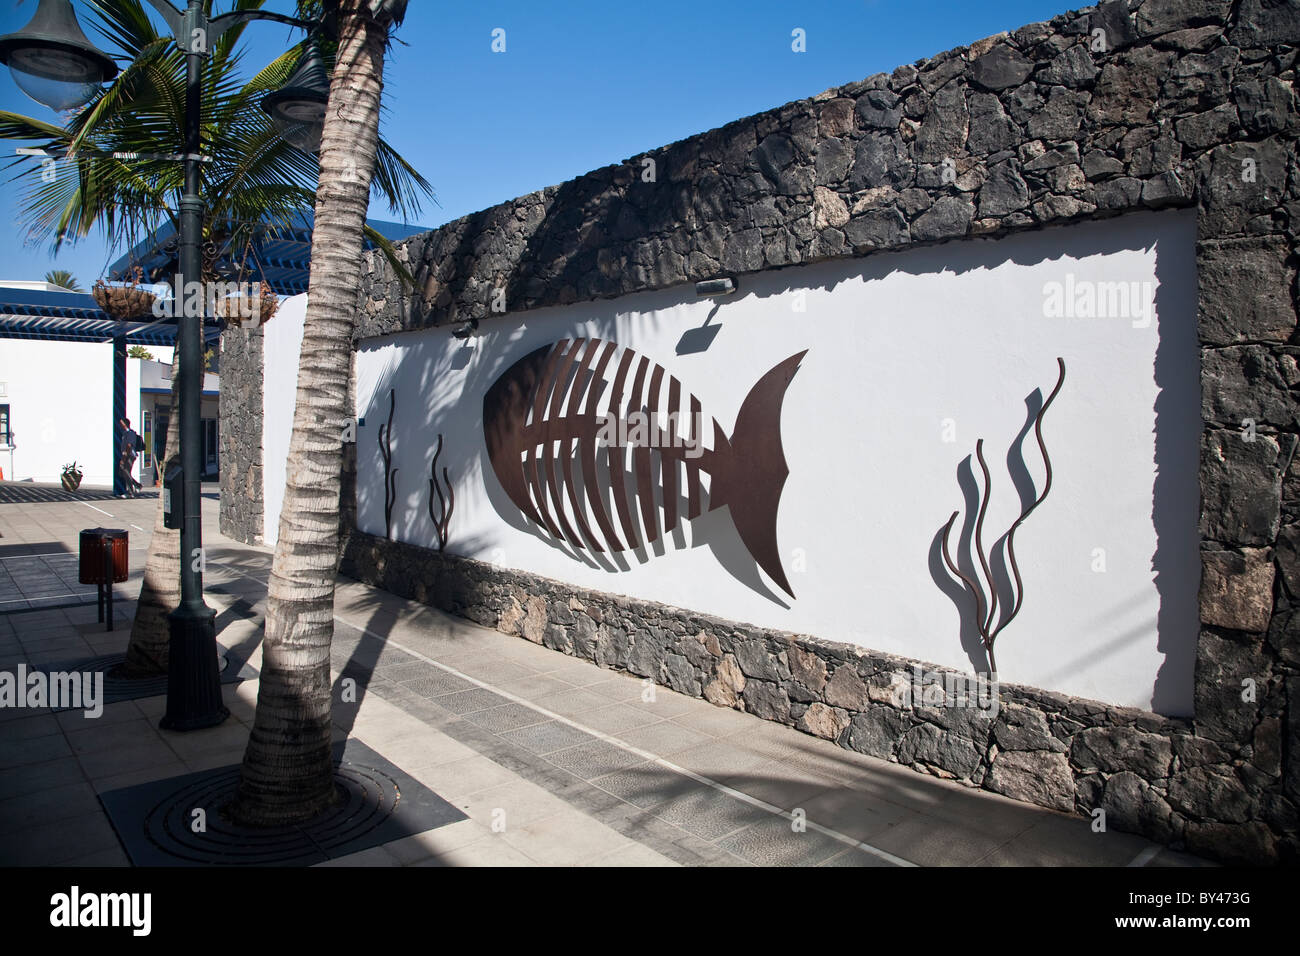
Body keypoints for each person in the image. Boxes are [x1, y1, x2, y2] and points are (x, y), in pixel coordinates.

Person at [119, 417, 144, 498]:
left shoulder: (130, 433)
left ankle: (131, 492)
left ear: (124, 424)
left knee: (126, 471)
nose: (120, 425)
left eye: (121, 423)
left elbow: (129, 446)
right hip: (127, 455)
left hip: (130, 455)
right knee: (124, 472)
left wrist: (124, 458)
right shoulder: (125, 433)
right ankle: (137, 485)